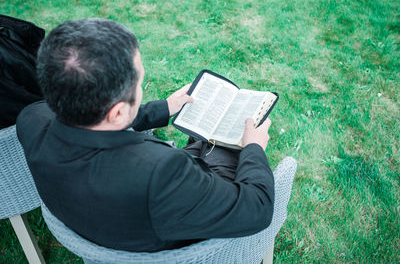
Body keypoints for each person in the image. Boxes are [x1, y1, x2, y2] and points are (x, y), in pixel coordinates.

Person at [16, 18, 275, 252]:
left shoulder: (31, 120)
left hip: (112, 219)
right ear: (117, 113)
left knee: (202, 140)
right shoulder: (162, 173)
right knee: (226, 143)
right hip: (170, 235)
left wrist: (164, 108)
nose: (140, 87)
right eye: (139, 82)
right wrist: (253, 148)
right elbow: (257, 209)